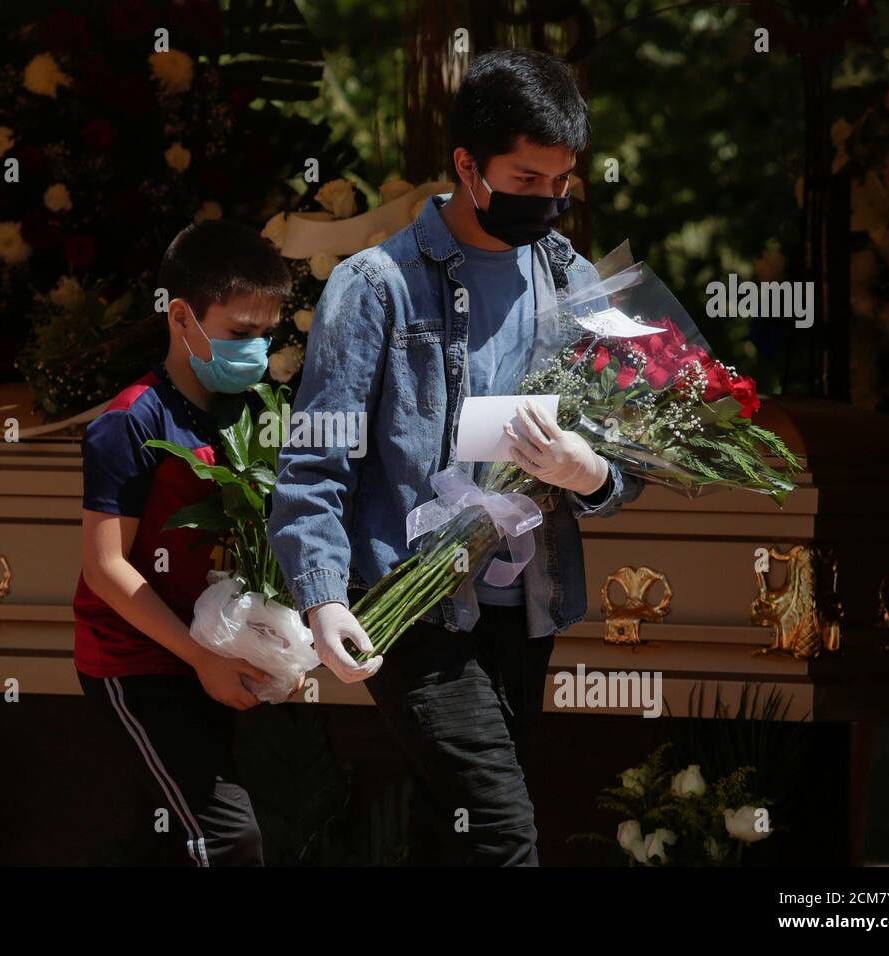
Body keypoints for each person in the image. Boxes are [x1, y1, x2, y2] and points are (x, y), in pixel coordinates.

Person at [268, 48, 643, 865]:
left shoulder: (573, 280)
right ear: (466, 166)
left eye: (560, 183)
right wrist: (324, 596)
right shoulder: (377, 286)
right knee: (505, 835)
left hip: (529, 605)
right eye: (524, 179)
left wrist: (594, 475)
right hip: (413, 604)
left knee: (461, 832)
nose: (546, 200)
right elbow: (314, 464)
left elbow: (627, 451)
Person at [74, 219, 291, 866]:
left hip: (210, 655)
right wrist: (200, 658)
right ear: (181, 318)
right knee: (225, 839)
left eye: (266, 335)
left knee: (171, 840)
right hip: (138, 663)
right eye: (240, 334)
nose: (255, 351)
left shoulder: (251, 412)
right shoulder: (130, 421)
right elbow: (105, 566)